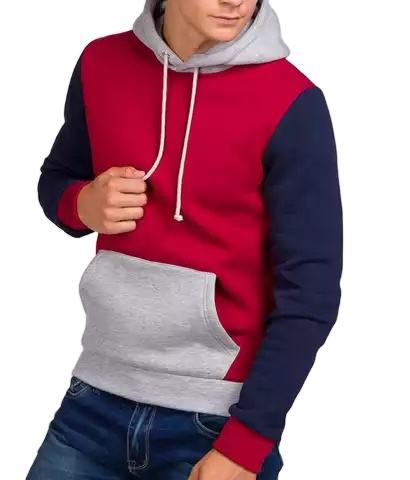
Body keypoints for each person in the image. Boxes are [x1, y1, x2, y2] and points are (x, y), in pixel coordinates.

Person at [26, 0, 343, 479]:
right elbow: (58, 178)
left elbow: (310, 293)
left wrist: (246, 445)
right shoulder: (101, 64)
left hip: (215, 422)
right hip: (92, 400)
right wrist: (82, 204)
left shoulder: (292, 102)